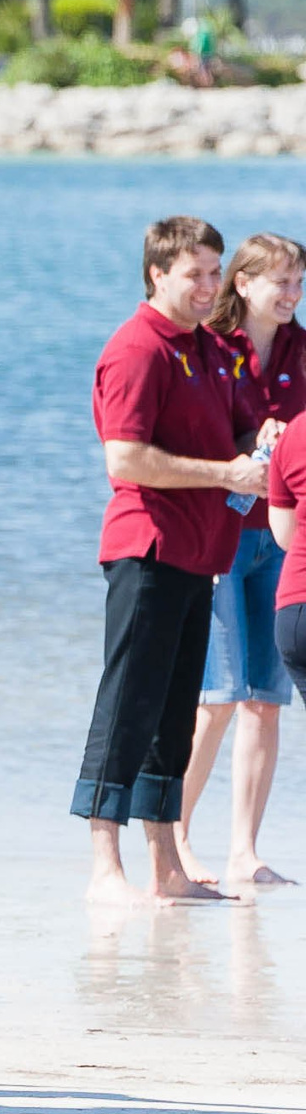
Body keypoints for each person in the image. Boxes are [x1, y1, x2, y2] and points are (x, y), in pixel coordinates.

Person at [79, 215, 261, 907]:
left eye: (217, 272)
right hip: (145, 548)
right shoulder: (136, 348)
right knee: (128, 701)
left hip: (199, 553)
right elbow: (124, 458)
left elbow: (233, 431)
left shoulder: (208, 347)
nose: (210, 286)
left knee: (176, 713)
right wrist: (223, 474)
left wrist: (257, 445)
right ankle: (104, 865)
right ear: (158, 272)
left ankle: (167, 868)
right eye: (197, 274)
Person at [180, 234, 306, 888]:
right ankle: (174, 838)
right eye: (279, 281)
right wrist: (249, 439)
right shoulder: (212, 346)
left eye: (298, 282)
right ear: (242, 283)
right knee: (220, 695)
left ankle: (244, 852)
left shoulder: (301, 348)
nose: (290, 294)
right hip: (221, 533)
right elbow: (195, 432)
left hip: (282, 539)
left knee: (265, 699)